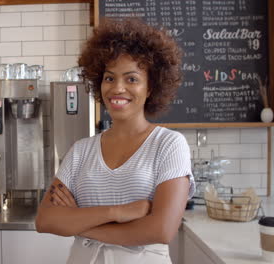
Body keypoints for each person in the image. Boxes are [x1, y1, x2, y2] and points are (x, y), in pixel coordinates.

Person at [35, 18, 195, 264]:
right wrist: (118, 213)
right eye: (109, 78)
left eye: (131, 79)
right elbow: (46, 220)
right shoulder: (81, 150)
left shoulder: (169, 144)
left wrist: (77, 221)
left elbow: (161, 230)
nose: (117, 88)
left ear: (151, 87)